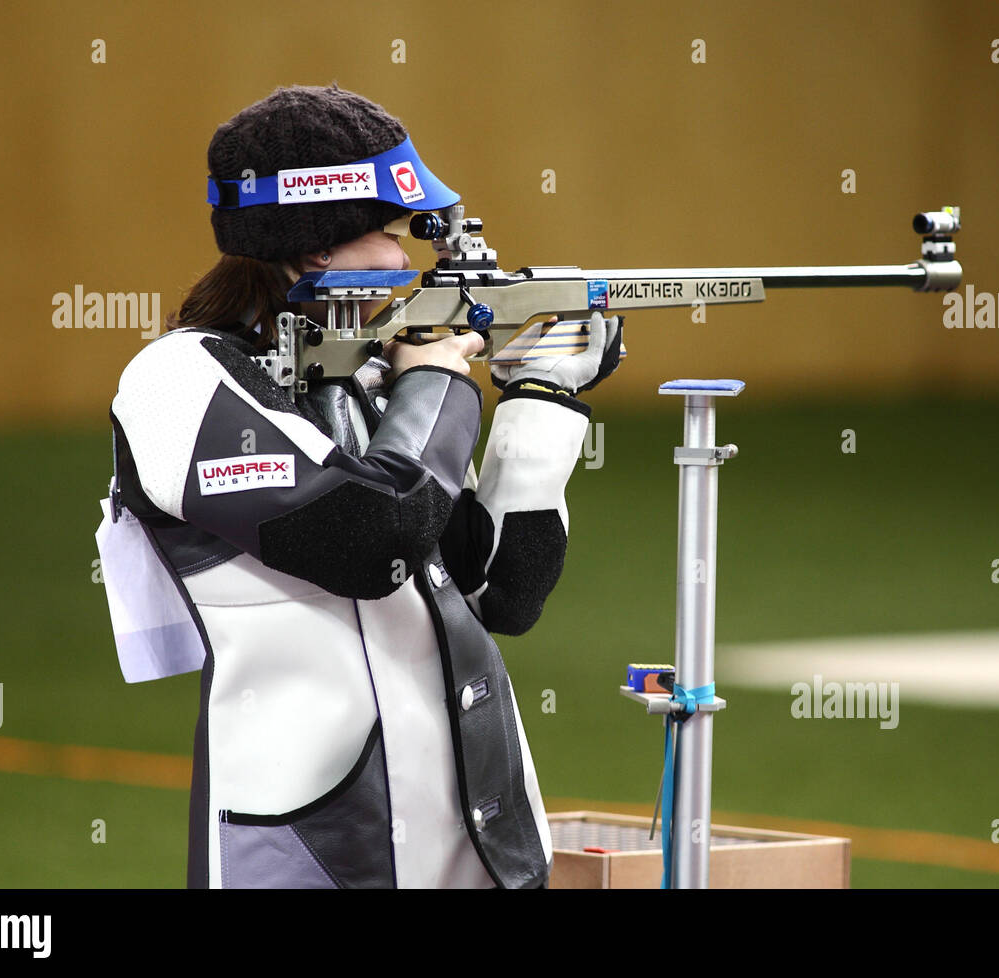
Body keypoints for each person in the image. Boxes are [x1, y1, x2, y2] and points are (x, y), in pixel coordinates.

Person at [96, 83, 622, 888]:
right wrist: (441, 381)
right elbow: (367, 540)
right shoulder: (176, 382)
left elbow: (503, 594)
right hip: (311, 847)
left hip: (479, 838)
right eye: (385, 231)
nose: (408, 259)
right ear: (316, 248)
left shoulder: (377, 375)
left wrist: (542, 399)